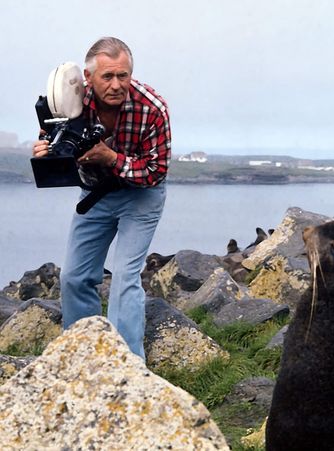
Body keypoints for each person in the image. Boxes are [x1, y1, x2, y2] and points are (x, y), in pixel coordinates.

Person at [33, 37, 171, 359]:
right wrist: (45, 154)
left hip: (142, 195)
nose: (116, 84)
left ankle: (128, 366)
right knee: (74, 278)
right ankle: (85, 357)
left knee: (124, 277)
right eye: (107, 76)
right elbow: (57, 147)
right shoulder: (67, 102)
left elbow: (156, 171)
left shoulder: (152, 108)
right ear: (88, 77)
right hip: (95, 194)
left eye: (123, 75)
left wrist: (111, 158)